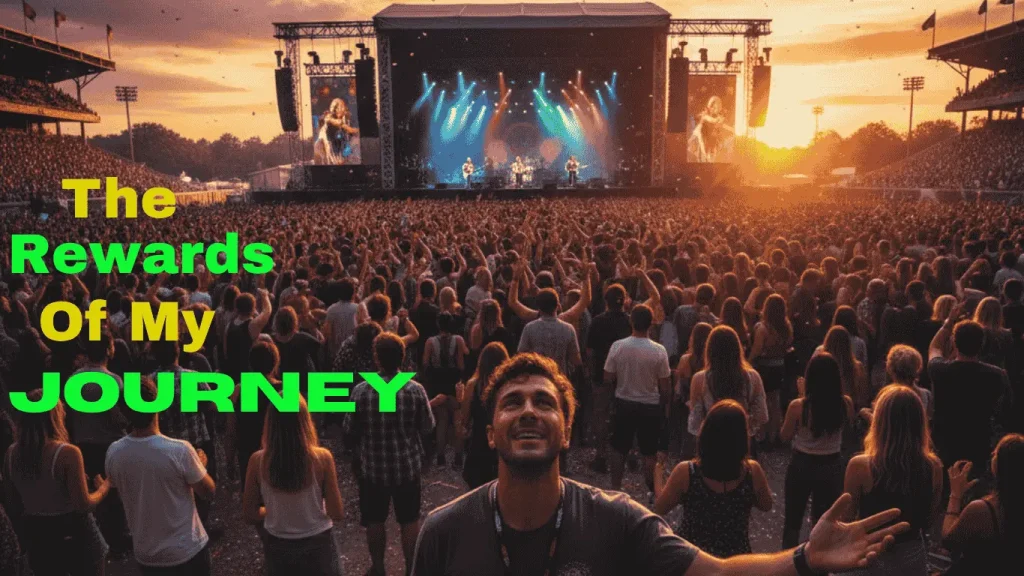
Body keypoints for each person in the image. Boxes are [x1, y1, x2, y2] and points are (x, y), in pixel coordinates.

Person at [412, 352, 911, 575]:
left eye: (544, 403)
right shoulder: (443, 531)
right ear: (488, 431)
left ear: (567, 431)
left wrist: (802, 559)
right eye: (511, 403)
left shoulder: (617, 518)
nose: (527, 411)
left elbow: (716, 573)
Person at [105, 377, 216, 575]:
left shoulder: (114, 452)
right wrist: (201, 464)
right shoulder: (180, 450)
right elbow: (207, 491)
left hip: (147, 555)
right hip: (187, 551)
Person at [345, 333, 435, 576]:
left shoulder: (361, 391)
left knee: (374, 520)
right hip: (406, 466)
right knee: (410, 520)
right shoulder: (415, 390)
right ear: (402, 358)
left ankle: (379, 567)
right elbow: (428, 427)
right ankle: (410, 569)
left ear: (377, 358)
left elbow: (349, 429)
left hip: (373, 467)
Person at [3, 389, 110, 576]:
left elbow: (12, 503)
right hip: (75, 534)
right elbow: (83, 505)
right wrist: (104, 487)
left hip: (38, 535)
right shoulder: (68, 453)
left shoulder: (11, 454)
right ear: (54, 415)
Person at [843, 385, 943, 576]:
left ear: (879, 421)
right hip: (912, 558)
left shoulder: (860, 466)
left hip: (870, 555)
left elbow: (847, 519)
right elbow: (930, 519)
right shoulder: (934, 467)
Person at [653, 400, 773, 558]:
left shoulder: (687, 471)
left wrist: (658, 472)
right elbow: (766, 505)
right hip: (735, 558)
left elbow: (660, 507)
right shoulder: (752, 471)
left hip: (693, 556)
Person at [242, 397, 345, 576]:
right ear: (305, 420)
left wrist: (271, 509)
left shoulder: (257, 461)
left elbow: (250, 514)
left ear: (270, 422)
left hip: (278, 545)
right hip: (319, 545)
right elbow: (336, 512)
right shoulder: (322, 458)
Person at [780, 353, 854, 548]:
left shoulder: (799, 406)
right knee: (822, 522)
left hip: (801, 464)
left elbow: (784, 435)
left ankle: (787, 564)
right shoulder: (845, 403)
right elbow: (848, 431)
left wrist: (800, 395)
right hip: (831, 464)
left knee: (792, 521)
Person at [928, 316, 1013, 475]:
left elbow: (934, 347)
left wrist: (947, 324)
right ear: (982, 344)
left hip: (945, 443)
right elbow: (1006, 411)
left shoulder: (940, 370)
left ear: (954, 342)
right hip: (980, 443)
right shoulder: (998, 375)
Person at [604, 304, 672, 491]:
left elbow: (608, 377)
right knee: (649, 450)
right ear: (650, 324)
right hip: (650, 404)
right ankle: (651, 490)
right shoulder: (659, 350)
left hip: (624, 401)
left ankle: (615, 487)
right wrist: (664, 406)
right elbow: (665, 385)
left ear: (631, 321)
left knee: (619, 447)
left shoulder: (618, 346)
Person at [942, 433, 1022, 575]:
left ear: (999, 466)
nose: (992, 454)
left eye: (996, 453)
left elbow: (949, 541)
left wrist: (955, 495)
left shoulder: (982, 510)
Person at [689, 326, 768, 440]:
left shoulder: (699, 379)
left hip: (711, 441)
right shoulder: (753, 377)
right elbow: (762, 415)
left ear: (710, 350)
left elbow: (695, 423)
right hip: (742, 439)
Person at [586, 283, 633, 472]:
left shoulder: (597, 321)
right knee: (626, 414)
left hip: (601, 372)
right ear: (624, 301)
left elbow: (590, 351)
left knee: (601, 413)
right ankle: (628, 453)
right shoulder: (630, 322)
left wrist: (590, 371)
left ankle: (601, 455)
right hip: (625, 375)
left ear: (606, 301)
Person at [458, 341, 510, 489]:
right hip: (502, 443)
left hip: (478, 445)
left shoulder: (473, 385)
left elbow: (465, 420)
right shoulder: (508, 384)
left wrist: (460, 399)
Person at [423, 312, 469, 467]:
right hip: (454, 383)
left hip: (438, 384)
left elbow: (425, 363)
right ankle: (458, 457)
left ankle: (441, 457)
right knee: (457, 420)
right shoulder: (458, 340)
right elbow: (462, 364)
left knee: (441, 421)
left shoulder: (430, 342)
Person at [748, 294, 793, 445]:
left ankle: (763, 434)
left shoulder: (763, 328)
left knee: (764, 401)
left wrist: (748, 361)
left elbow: (757, 350)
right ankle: (774, 435)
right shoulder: (786, 327)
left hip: (764, 367)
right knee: (776, 400)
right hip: (780, 366)